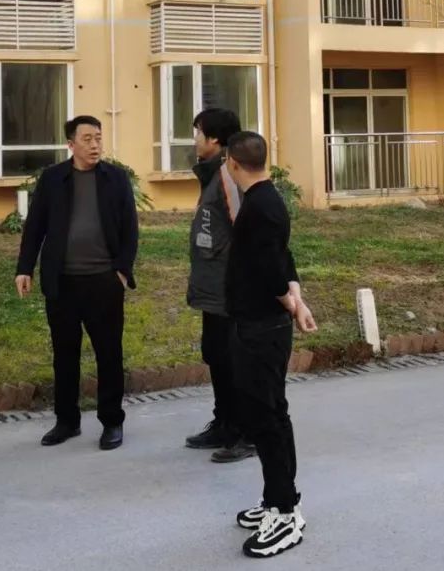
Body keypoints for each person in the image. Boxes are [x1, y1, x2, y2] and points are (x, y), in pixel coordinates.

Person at [15, 116, 139, 451]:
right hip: (63, 282)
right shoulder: (53, 178)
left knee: (109, 354)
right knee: (65, 355)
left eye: (98, 138)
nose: (95, 145)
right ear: (71, 144)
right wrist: (24, 268)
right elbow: (35, 226)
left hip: (104, 281)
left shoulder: (115, 178)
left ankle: (112, 422)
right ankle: (67, 421)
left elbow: (130, 228)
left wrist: (122, 271)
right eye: (87, 139)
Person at [223, 131, 317, 559]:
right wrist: (297, 299)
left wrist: (289, 300)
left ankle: (285, 512)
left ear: (232, 163)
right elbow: (282, 256)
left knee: (267, 418)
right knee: (269, 413)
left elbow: (271, 269)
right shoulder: (265, 200)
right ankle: (277, 497)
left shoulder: (260, 206)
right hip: (258, 324)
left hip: (262, 328)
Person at [184, 108, 256, 463]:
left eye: (198, 132)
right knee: (216, 354)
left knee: (234, 361)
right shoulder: (214, 173)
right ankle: (225, 423)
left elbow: (245, 229)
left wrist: (242, 283)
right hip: (214, 287)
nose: (195, 139)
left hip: (230, 287)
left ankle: (247, 432)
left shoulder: (229, 175)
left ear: (214, 139)